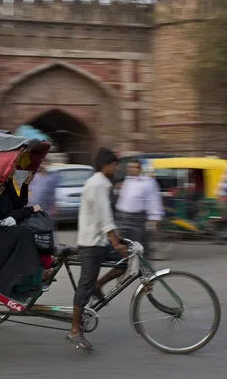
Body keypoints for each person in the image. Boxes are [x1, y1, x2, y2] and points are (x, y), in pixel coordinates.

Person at [68, 148, 128, 353]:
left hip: (100, 241)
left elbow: (105, 217)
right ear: (106, 166)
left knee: (128, 260)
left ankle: (99, 284)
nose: (117, 168)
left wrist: (118, 240)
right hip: (91, 244)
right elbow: (105, 217)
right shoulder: (99, 184)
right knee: (84, 286)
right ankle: (75, 330)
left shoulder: (101, 182)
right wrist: (116, 242)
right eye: (115, 165)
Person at [115, 159, 164, 259]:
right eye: (130, 167)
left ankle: (144, 271)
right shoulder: (127, 180)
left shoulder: (148, 182)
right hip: (122, 217)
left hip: (138, 218)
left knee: (140, 247)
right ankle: (129, 269)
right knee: (125, 247)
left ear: (140, 169)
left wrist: (154, 218)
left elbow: (153, 200)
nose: (132, 169)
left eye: (135, 167)